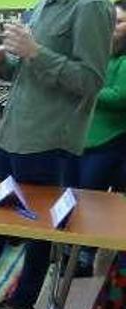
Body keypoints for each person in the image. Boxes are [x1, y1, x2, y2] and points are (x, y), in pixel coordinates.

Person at [0, 0, 115, 309]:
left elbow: (91, 81)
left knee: (37, 226)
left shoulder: (92, 6)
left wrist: (35, 51)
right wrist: (2, 61)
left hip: (49, 139)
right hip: (16, 133)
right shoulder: (44, 6)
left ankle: (22, 305)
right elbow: (24, 72)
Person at [76, 1, 126, 276]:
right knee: (76, 195)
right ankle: (71, 251)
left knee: (91, 199)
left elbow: (121, 97)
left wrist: (87, 88)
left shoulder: (124, 61)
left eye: (119, 22)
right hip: (82, 139)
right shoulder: (98, 55)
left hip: (110, 142)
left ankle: (84, 257)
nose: (112, 27)